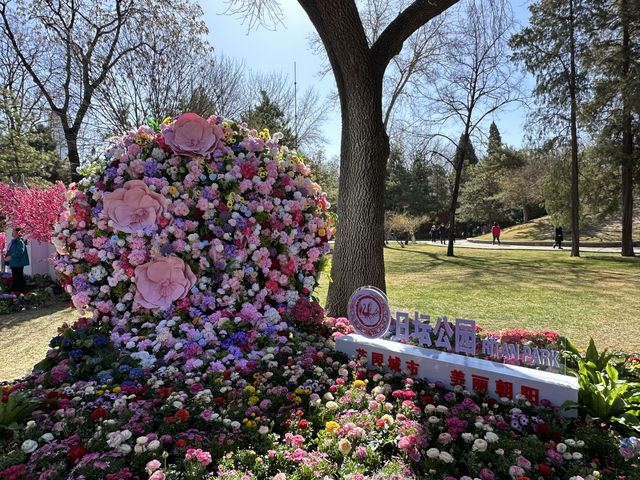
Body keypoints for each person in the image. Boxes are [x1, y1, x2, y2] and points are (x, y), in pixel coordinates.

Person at [4, 227, 29, 293]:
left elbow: (20, 251)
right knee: (16, 277)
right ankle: (17, 290)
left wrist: (11, 257)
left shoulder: (19, 241)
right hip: (15, 262)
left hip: (18, 262)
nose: (12, 233)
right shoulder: (15, 241)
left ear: (18, 233)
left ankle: (19, 291)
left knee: (18, 277)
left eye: (13, 231)